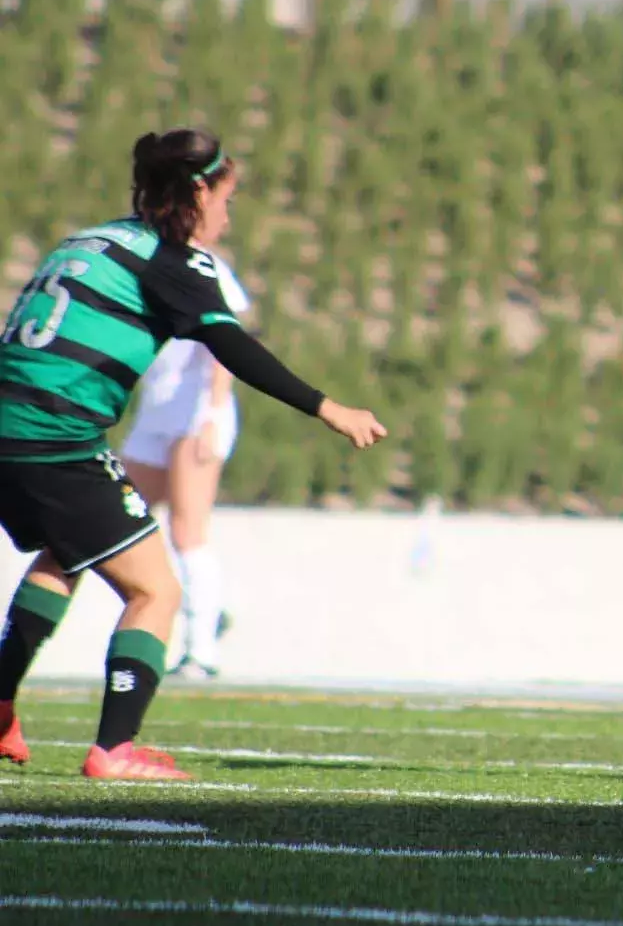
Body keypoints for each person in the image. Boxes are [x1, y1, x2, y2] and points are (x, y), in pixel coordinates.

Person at [0, 129, 386, 781]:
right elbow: (232, 347)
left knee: (66, 552)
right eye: (227, 198)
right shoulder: (173, 261)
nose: (229, 215)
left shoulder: (90, 240)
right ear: (198, 191)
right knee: (156, 590)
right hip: (55, 438)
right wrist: (331, 408)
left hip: (14, 428)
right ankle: (114, 750)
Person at [121, 244, 251, 680]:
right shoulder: (137, 262)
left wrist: (213, 411)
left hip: (195, 412)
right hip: (155, 410)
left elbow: (224, 342)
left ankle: (201, 651)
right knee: (118, 519)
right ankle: (208, 606)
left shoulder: (206, 266)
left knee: (187, 531)